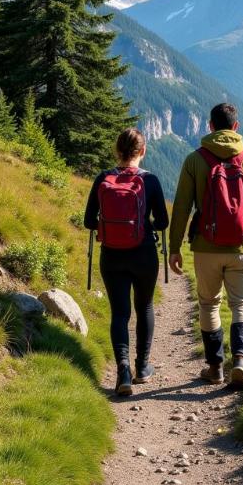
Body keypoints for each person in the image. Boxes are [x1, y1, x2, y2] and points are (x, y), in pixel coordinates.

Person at [169, 102, 243, 388]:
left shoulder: (194, 160)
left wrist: (174, 246)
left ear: (210, 126)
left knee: (209, 304)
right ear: (236, 127)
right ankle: (240, 360)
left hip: (206, 247)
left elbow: (181, 207)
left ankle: (215, 368)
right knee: (242, 304)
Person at [84, 128, 169, 396]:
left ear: (116, 151)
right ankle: (142, 368)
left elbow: (88, 221)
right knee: (144, 306)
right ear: (142, 152)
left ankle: (123, 371)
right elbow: (164, 222)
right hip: (143, 253)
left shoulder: (103, 179)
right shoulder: (151, 180)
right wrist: (144, 225)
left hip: (112, 255)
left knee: (120, 314)